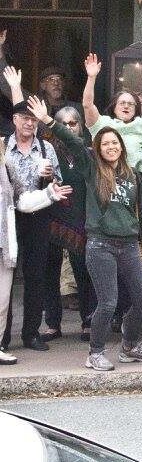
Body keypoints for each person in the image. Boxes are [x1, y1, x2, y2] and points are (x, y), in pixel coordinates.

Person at [30, 95, 142, 371]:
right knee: (107, 302)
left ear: (121, 147)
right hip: (100, 244)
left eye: (115, 143)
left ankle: (128, 347)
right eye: (106, 144)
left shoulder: (132, 175)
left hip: (129, 245)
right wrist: (47, 121)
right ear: (98, 148)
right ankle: (95, 352)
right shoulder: (91, 168)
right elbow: (74, 142)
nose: (111, 147)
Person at [0, 124, 73, 365]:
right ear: (15, 120)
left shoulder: (46, 147)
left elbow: (59, 180)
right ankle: (3, 337)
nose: (29, 123)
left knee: (36, 275)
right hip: (8, 216)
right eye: (23, 118)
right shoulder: (3, 147)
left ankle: (31, 333)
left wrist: (49, 177)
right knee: (5, 275)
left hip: (38, 213)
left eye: (33, 119)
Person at [41, 104, 96, 343]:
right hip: (52, 217)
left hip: (80, 219)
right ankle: (53, 324)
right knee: (49, 273)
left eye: (73, 123)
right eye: (62, 123)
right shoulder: (45, 151)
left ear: (81, 126)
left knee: (84, 273)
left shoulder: (89, 152)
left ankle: (88, 321)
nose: (68, 127)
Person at [82, 54, 142, 175]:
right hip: (108, 177)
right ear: (114, 108)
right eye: (122, 103)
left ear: (136, 109)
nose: (126, 106)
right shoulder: (103, 123)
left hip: (137, 179)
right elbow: (87, 105)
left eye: (131, 104)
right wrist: (91, 77)